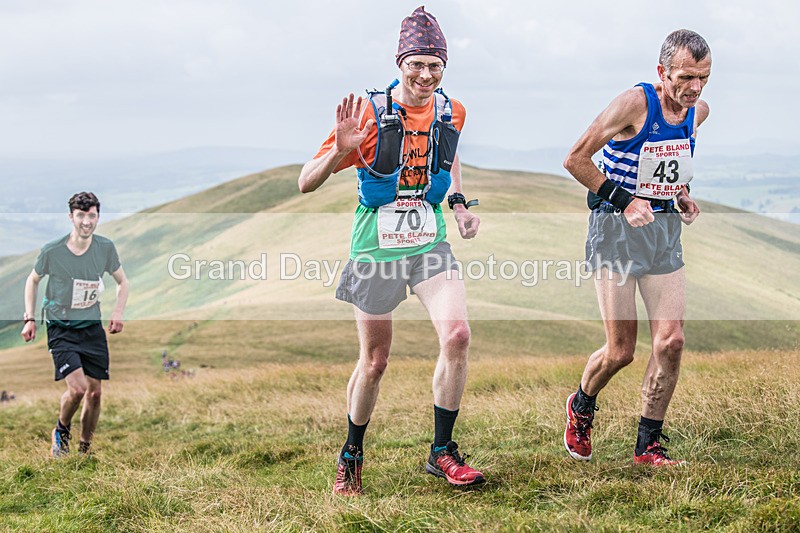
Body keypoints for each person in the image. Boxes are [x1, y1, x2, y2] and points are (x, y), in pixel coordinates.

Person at [298, 6, 484, 495]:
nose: (425, 75)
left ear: (444, 67)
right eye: (416, 64)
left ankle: (442, 451)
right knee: (376, 361)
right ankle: (351, 453)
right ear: (399, 62)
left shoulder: (452, 110)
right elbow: (304, 182)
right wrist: (340, 150)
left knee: (458, 335)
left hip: (429, 243)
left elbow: (451, 150)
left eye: (434, 66)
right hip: (375, 248)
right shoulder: (368, 114)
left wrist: (459, 204)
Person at [562, 29, 711, 466]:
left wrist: (678, 192)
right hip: (615, 228)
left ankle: (648, 447)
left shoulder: (696, 111)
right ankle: (582, 404)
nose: (695, 87)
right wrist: (626, 203)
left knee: (672, 341)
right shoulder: (634, 104)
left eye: (703, 77)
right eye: (686, 76)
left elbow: (670, 161)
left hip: (662, 230)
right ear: (661, 72)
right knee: (620, 351)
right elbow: (575, 160)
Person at [21, 192, 129, 458]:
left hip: (92, 328)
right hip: (62, 329)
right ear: (71, 217)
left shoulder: (105, 248)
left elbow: (123, 282)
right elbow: (32, 280)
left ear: (97, 217)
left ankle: (85, 450)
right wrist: (30, 318)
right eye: (81, 215)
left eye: (91, 215)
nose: (86, 221)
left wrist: (117, 311)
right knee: (78, 389)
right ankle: (61, 430)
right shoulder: (52, 251)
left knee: (94, 394)